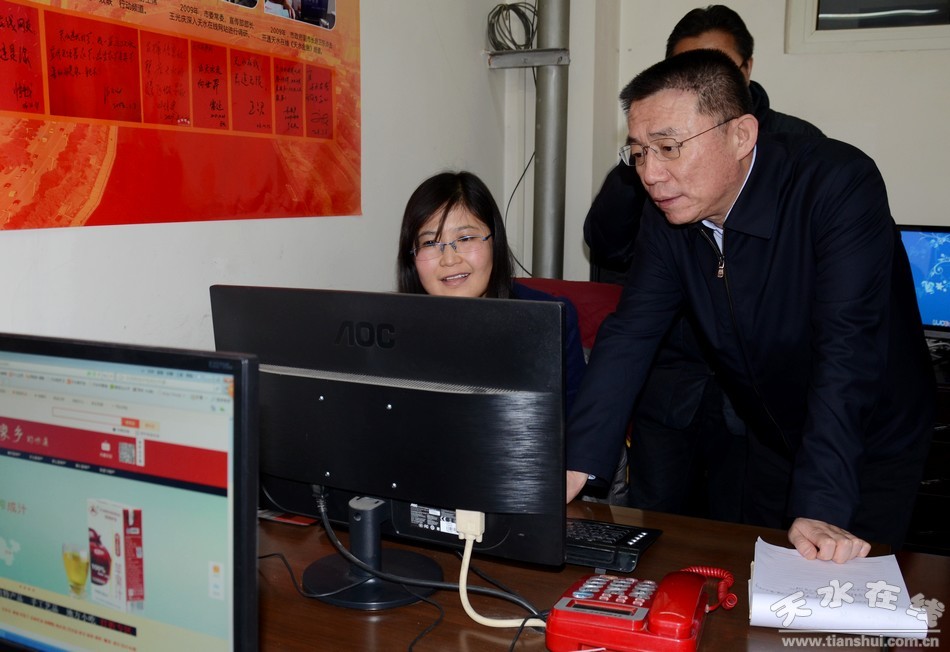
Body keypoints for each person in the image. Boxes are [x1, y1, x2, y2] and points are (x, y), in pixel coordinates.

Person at [566, 49, 934, 563]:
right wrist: (575, 463)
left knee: (845, 587)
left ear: (741, 135)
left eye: (668, 147)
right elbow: (631, 333)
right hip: (771, 431)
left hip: (866, 438)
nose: (650, 173)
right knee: (757, 574)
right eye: (639, 152)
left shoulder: (836, 185)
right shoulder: (670, 214)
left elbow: (847, 350)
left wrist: (822, 503)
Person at [584, 5, 826, 521]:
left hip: (758, 402)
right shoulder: (653, 165)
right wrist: (648, 156)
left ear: (745, 70)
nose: (653, 171)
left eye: (716, 63)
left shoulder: (802, 153)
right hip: (673, 380)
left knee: (742, 529)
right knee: (654, 522)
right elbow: (607, 251)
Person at [396, 170, 587, 416]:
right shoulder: (392, 331)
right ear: (412, 257)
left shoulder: (550, 321)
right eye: (430, 243)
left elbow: (577, 423)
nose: (449, 259)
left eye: (466, 238)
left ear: (494, 242)